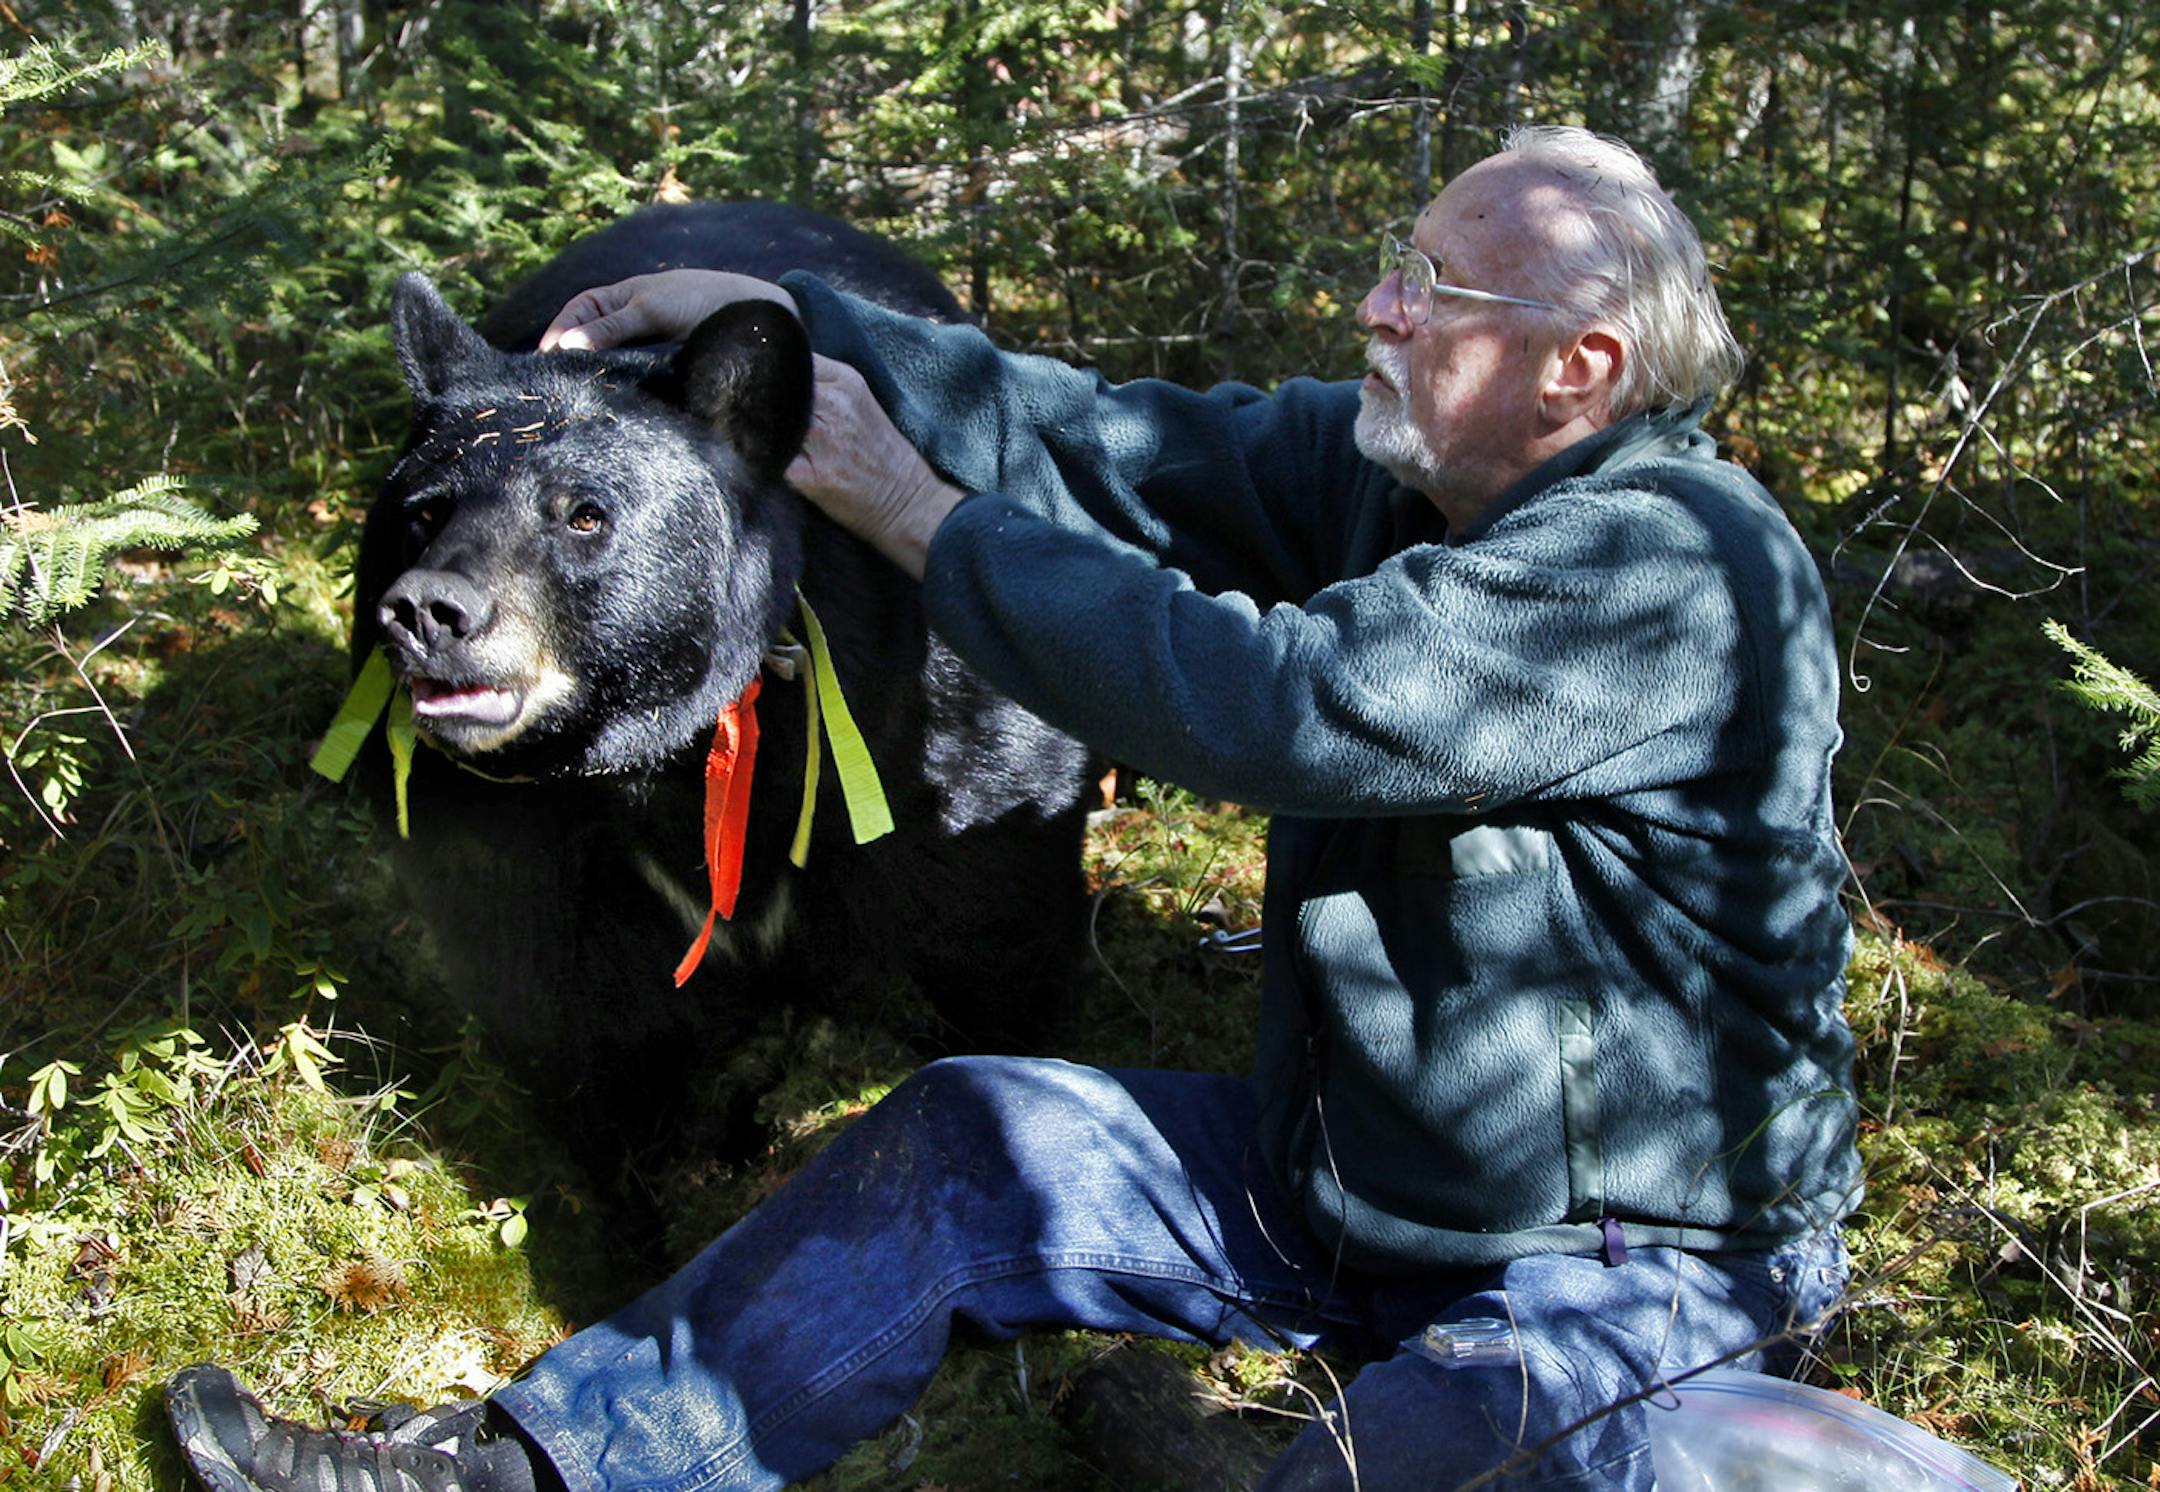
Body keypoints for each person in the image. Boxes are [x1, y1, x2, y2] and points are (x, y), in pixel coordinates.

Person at [167, 125, 1860, 1492]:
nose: (1378, 306)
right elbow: (1105, 437)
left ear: (1580, 365)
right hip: (1339, 1183)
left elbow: (1279, 706)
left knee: (1394, 1466)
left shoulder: (1674, 566)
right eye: (1397, 266)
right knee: (977, 1139)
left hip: (1623, 1264)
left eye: (1436, 287)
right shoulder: (1400, 481)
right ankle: (510, 1471)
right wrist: (775, 301)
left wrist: (918, 518)